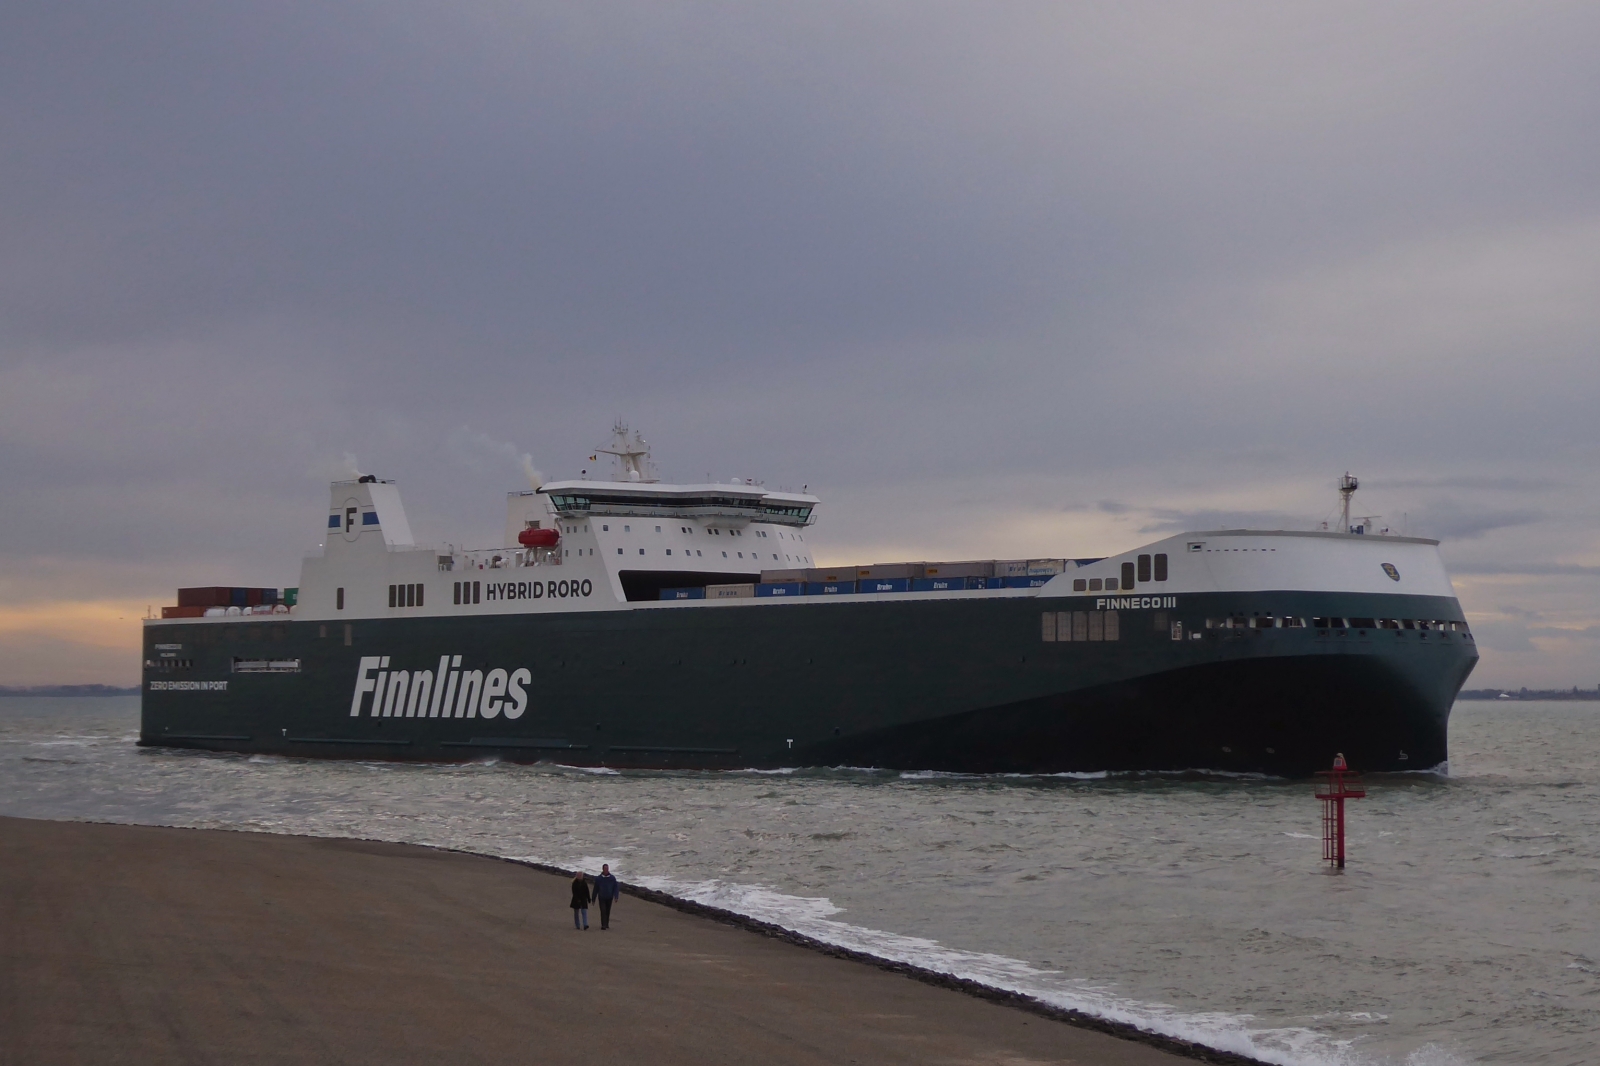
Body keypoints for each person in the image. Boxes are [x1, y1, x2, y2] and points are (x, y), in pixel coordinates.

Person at [593, 863, 619, 930]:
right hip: (601, 897)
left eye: (607, 869)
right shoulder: (599, 878)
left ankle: (606, 924)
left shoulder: (612, 878)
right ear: (603, 869)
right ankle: (603, 925)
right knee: (603, 910)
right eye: (605, 869)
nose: (606, 870)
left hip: (609, 897)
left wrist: (616, 896)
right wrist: (593, 899)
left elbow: (615, 887)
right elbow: (595, 889)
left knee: (607, 911)